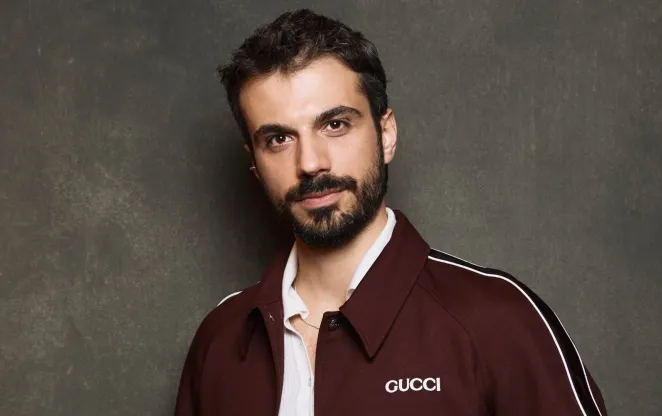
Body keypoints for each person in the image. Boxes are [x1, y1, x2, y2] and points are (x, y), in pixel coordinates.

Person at [175, 8, 607, 416]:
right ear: (254, 162)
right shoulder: (221, 340)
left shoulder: (497, 320)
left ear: (386, 135)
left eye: (335, 124)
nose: (310, 162)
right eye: (279, 139)